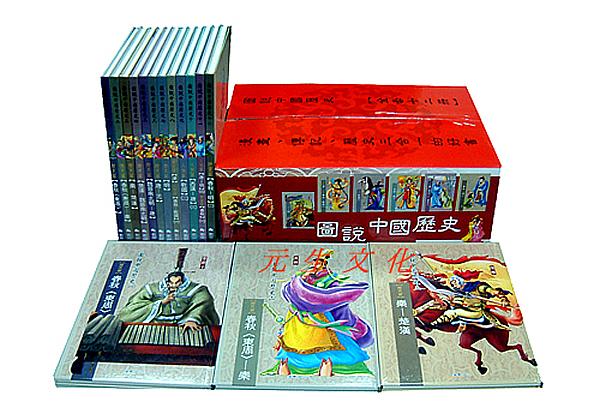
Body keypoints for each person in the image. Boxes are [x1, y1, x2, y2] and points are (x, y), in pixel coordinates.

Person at [262, 250, 374, 377]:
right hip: (297, 319)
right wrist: (302, 280)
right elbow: (289, 290)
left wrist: (314, 296)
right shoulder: (303, 276)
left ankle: (327, 366)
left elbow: (333, 297)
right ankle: (288, 366)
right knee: (292, 344)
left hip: (319, 318)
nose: (316, 264)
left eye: (320, 262)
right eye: (315, 261)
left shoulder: (330, 279)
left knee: (326, 345)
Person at [117, 271, 220, 332]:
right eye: (171, 283)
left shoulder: (196, 289)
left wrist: (192, 320)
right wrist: (161, 303)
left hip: (183, 324)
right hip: (154, 325)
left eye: (177, 283)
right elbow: (134, 305)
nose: (174, 285)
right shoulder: (151, 288)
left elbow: (202, 303)